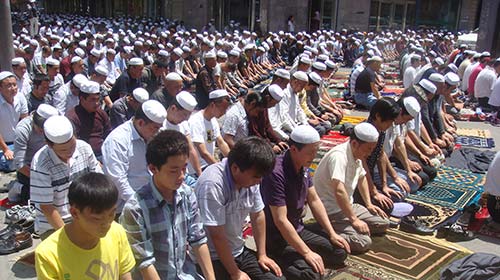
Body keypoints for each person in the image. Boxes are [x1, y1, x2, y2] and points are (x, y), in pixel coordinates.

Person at [120, 130, 215, 280]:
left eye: (184, 168)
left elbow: (198, 239)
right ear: (153, 169)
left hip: (186, 275)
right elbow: (145, 262)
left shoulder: (187, 194)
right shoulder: (135, 209)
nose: (182, 176)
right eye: (173, 170)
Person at [261, 125, 348, 280]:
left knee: (339, 251)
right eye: (310, 152)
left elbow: (314, 200)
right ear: (294, 149)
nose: (314, 156)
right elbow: (280, 221)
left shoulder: (303, 167)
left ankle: (301, 254)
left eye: (316, 151)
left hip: (298, 228)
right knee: (311, 275)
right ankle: (279, 257)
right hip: (277, 236)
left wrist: (332, 233)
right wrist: (307, 252)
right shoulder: (276, 173)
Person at [196, 137, 284, 280]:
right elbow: (216, 235)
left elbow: (257, 215)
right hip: (212, 256)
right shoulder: (212, 183)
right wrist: (235, 272)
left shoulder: (250, 180)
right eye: (256, 177)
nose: (259, 181)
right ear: (235, 168)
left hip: (237, 250)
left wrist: (262, 254)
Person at [35, 173, 136, 279]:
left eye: (111, 214)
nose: (106, 223)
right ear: (74, 213)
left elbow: (124, 273)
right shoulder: (48, 254)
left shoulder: (116, 231)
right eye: (97, 218)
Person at [314, 123, 389, 253]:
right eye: (368, 149)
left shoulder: (357, 155)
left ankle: (347, 226)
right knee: (363, 242)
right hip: (332, 211)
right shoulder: (338, 156)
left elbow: (362, 178)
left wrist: (368, 204)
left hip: (348, 205)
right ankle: (324, 230)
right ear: (355, 144)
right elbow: (339, 190)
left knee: (383, 222)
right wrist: (354, 219)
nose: (370, 153)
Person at [30, 115, 102, 238]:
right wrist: (68, 237)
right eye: (63, 150)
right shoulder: (41, 163)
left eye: (72, 146)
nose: (69, 152)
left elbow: (98, 182)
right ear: (49, 145)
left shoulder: (84, 148)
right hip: (54, 223)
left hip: (85, 215)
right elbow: (47, 207)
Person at [102, 100, 167, 213]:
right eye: (155, 128)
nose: (157, 132)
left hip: (153, 199)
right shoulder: (117, 140)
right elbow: (118, 180)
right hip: (126, 207)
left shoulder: (152, 135)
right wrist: (140, 205)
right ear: (141, 123)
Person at [14, 104, 59, 204]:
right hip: (29, 169)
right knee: (36, 200)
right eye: (40, 130)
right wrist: (41, 178)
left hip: (51, 164)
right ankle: (18, 188)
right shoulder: (23, 129)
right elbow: (19, 164)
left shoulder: (57, 127)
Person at [188, 89, 231, 173]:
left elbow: (221, 143)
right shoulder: (196, 121)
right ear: (212, 105)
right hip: (197, 169)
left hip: (209, 165)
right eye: (222, 109)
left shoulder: (213, 121)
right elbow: (203, 153)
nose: (224, 113)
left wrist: (232, 159)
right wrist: (220, 169)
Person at [66, 80, 112, 159]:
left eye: (98, 99)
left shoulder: (101, 114)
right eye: (93, 100)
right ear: (82, 99)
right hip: (83, 157)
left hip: (104, 153)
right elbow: (74, 144)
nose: (97, 103)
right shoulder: (72, 117)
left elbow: (109, 135)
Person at [0, 71, 29, 172]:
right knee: (7, 161)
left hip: (17, 141)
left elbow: (25, 121)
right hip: (3, 145)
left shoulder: (20, 97)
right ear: (0, 88)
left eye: (14, 84)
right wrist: (6, 149)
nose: (13, 88)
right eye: (8, 85)